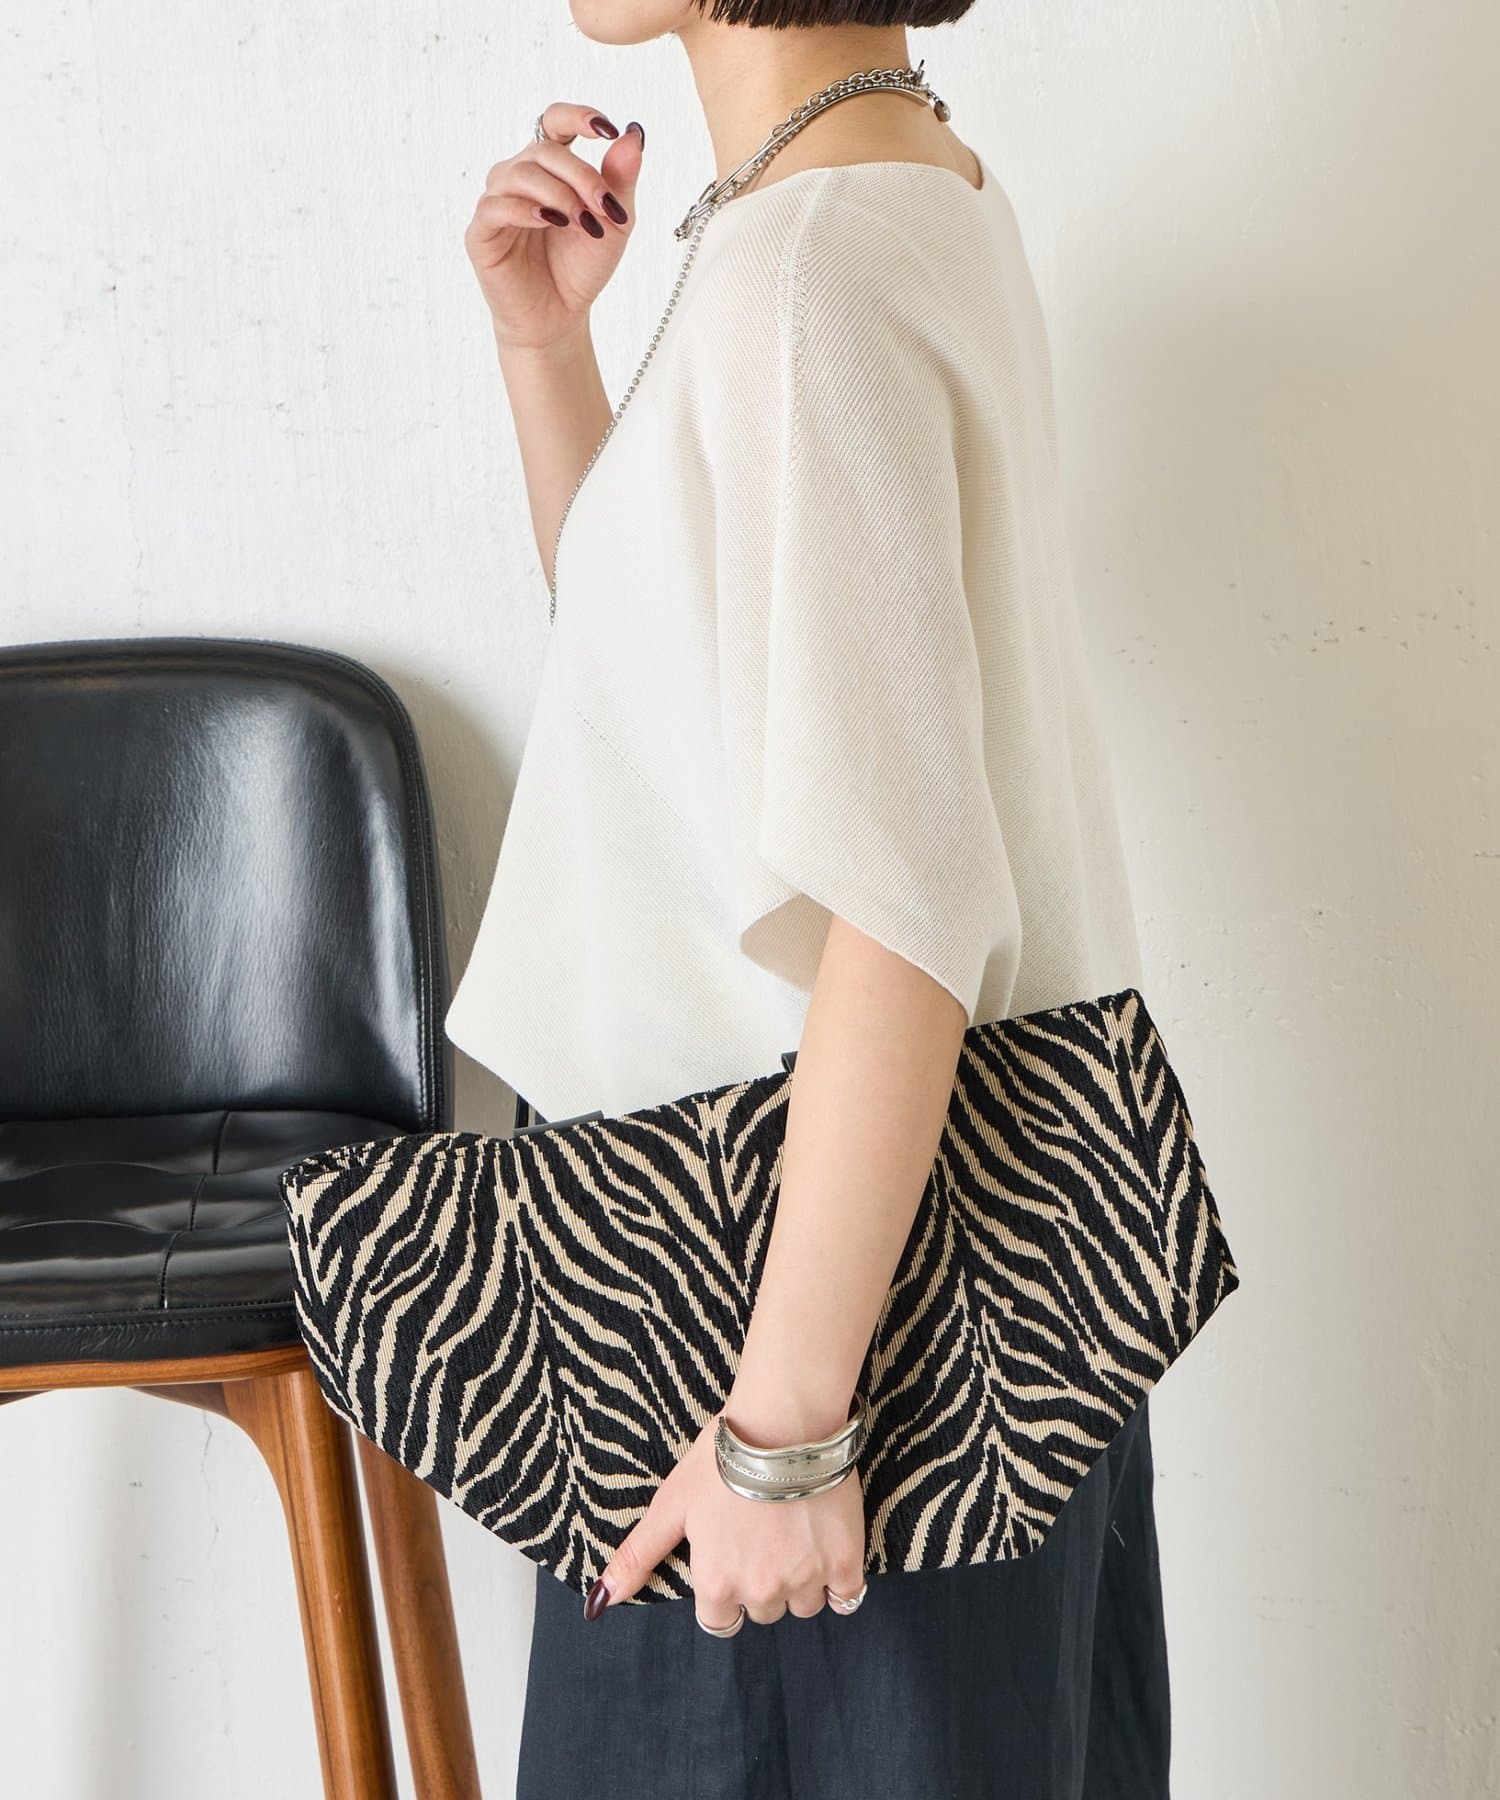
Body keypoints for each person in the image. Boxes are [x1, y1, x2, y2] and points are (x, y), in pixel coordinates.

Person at [442, 3, 1171, 1794]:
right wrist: (549, 351)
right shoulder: (895, 188)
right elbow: (683, 693)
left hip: (796, 1298)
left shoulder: (809, 269)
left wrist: (781, 1434)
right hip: (928, 1257)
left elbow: (903, 902)